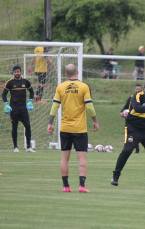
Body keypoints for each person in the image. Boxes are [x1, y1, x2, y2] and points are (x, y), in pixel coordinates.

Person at [47, 64, 99, 193]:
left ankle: (66, 187)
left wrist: (50, 123)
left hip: (65, 128)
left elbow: (55, 106)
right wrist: (95, 121)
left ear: (66, 75)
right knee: (82, 157)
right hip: (79, 129)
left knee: (65, 157)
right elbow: (89, 107)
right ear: (77, 72)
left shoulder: (61, 87)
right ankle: (81, 186)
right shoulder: (84, 86)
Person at [2, 65, 36, 153]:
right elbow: (4, 94)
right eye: (15, 72)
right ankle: (15, 147)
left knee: (28, 126)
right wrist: (6, 104)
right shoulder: (9, 83)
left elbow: (31, 91)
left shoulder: (25, 81)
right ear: (13, 73)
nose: (17, 73)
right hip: (14, 108)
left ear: (20, 72)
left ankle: (28, 147)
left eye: (18, 72)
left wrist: (30, 102)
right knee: (14, 127)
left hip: (23, 108)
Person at [28, 38, 58, 103]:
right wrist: (55, 68)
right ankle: (39, 98)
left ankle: (36, 95)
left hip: (37, 69)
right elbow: (48, 60)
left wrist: (30, 67)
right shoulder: (45, 50)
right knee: (42, 84)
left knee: (40, 83)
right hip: (43, 70)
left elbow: (33, 58)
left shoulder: (36, 48)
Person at [120, 84, 143, 154]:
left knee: (141, 136)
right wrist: (121, 112)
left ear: (142, 90)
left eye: (139, 89)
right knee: (131, 136)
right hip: (132, 122)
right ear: (135, 90)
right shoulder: (131, 98)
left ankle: (138, 151)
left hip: (142, 121)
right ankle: (135, 151)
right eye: (137, 89)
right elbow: (125, 107)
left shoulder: (144, 98)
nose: (138, 90)